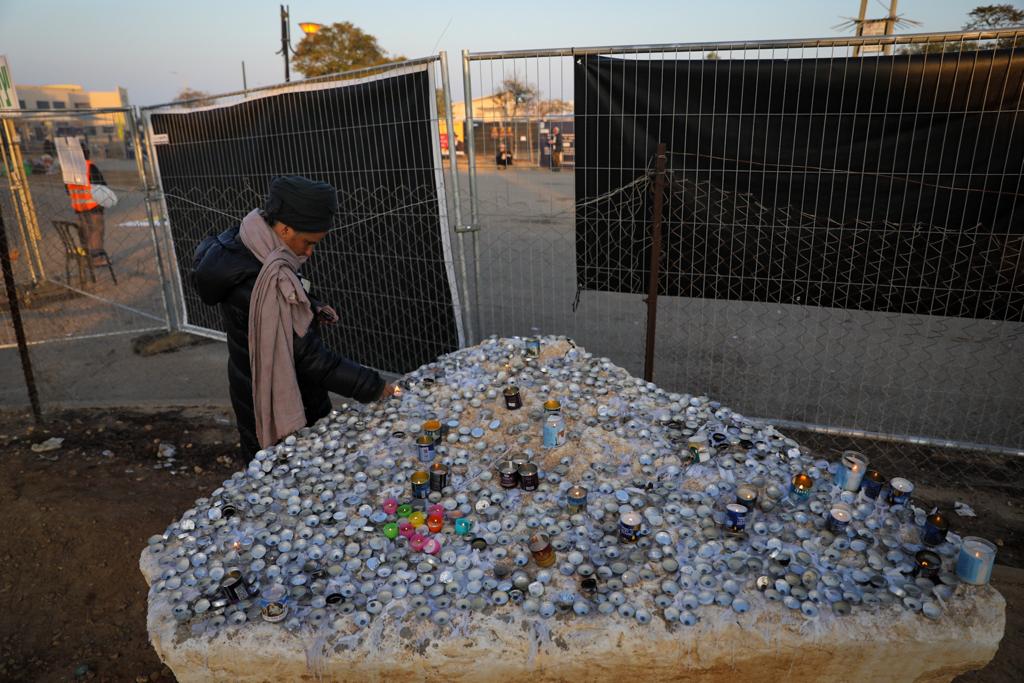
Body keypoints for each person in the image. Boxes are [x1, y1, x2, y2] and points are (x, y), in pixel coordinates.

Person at [192, 175, 396, 456]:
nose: (310, 253)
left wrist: (307, 304)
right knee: (281, 468)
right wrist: (374, 387)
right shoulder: (265, 280)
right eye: (308, 242)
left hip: (254, 381)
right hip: (273, 397)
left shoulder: (254, 245)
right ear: (285, 229)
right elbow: (309, 358)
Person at [64, 145, 110, 267]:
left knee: (85, 233)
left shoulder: (69, 171)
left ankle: (87, 258)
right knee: (96, 233)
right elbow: (101, 186)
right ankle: (97, 259)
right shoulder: (89, 167)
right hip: (93, 207)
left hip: (79, 208)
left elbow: (68, 190)